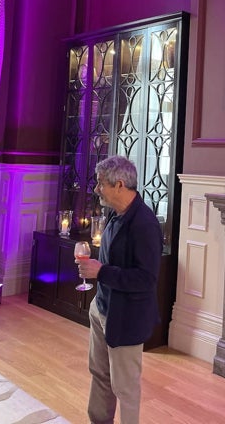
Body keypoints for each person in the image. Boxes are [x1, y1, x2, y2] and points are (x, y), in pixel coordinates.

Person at [76, 155, 163, 424]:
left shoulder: (145, 224)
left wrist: (100, 272)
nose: (97, 189)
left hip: (127, 318)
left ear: (119, 185)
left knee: (125, 388)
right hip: (102, 308)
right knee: (100, 374)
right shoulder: (115, 216)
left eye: (101, 183)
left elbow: (146, 280)